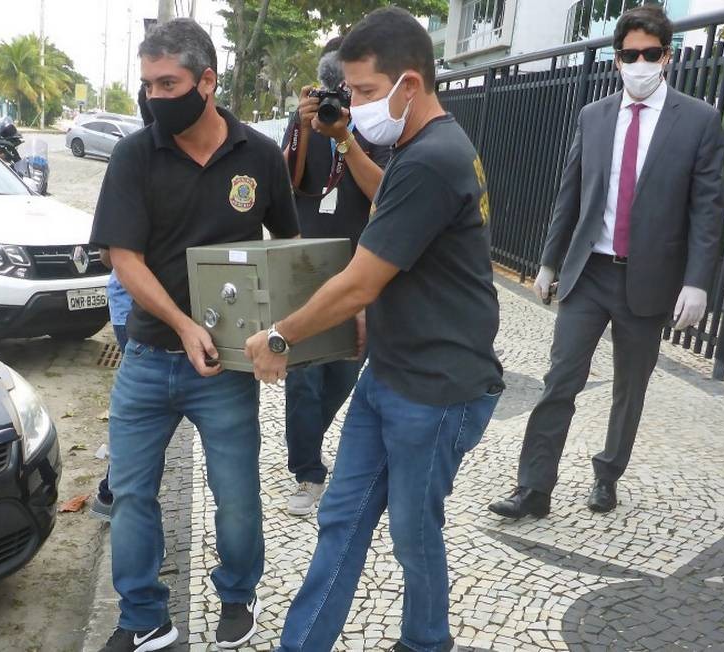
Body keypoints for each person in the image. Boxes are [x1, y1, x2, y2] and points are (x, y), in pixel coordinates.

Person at [245, 8, 503, 651]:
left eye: (363, 92)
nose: (354, 103)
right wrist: (345, 142)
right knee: (342, 519)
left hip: (438, 390)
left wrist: (280, 335)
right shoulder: (429, 148)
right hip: (392, 374)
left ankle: (425, 643)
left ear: (408, 85)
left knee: (413, 537)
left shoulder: (433, 158)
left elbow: (360, 283)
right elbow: (391, 195)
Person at [89, 18, 299, 652]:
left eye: (168, 83)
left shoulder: (259, 155)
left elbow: (287, 246)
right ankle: (144, 615)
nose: (154, 96)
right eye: (148, 84)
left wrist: (281, 334)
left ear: (207, 82)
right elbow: (123, 257)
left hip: (228, 368)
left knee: (236, 497)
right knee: (130, 495)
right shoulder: (136, 154)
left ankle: (237, 595)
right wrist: (182, 326)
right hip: (150, 358)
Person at [488, 5, 724, 520]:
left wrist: (697, 282)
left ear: (667, 56)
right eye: (629, 55)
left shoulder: (699, 120)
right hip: (589, 273)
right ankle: (534, 489)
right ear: (617, 58)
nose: (639, 64)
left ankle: (607, 473)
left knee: (629, 389)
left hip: (649, 280)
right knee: (560, 381)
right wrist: (549, 263)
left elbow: (708, 209)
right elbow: (569, 195)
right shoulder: (592, 116)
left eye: (650, 54)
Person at [279, 37, 392, 516]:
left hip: (355, 263)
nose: (338, 100)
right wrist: (306, 130)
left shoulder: (372, 127)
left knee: (344, 373)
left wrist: (345, 133)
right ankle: (307, 471)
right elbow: (288, 185)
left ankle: (309, 440)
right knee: (302, 374)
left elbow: (384, 200)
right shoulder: (305, 119)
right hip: (304, 263)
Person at [90, 85, 152, 523]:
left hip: (130, 303)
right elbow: (110, 253)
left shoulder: (133, 158)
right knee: (140, 406)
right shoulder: (131, 160)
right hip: (132, 306)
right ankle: (114, 490)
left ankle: (115, 492)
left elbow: (106, 254)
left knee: (139, 408)